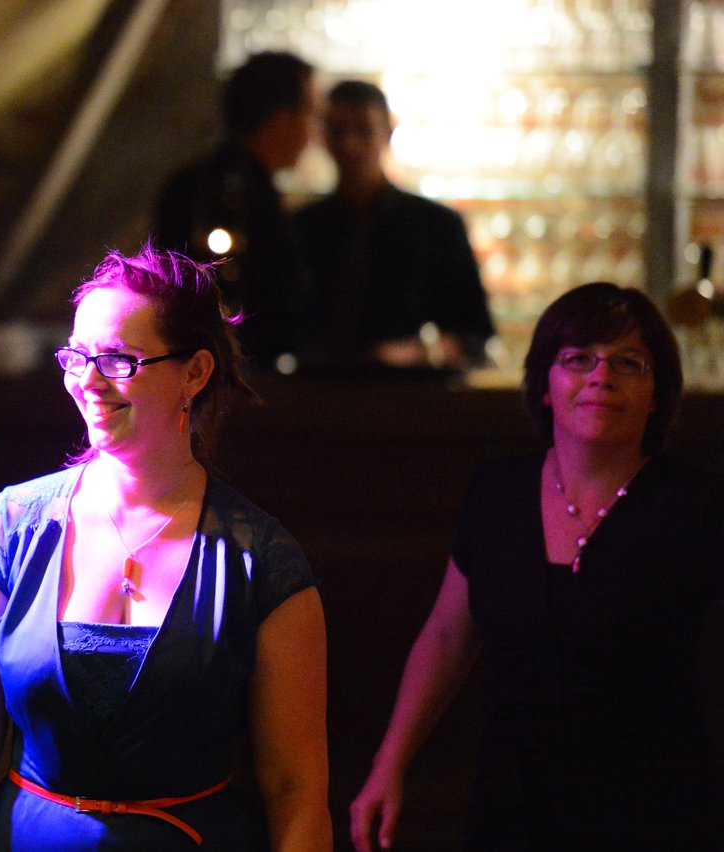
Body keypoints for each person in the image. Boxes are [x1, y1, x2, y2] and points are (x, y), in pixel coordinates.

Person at [0, 244, 331, 850]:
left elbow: (296, 792)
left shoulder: (262, 563)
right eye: (76, 356)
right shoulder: (10, 528)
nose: (87, 381)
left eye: (117, 360)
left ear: (194, 372)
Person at [348, 282, 724, 851]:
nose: (602, 376)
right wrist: (389, 764)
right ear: (545, 384)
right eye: (579, 360)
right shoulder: (498, 492)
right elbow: (448, 636)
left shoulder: (695, 507)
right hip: (512, 806)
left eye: (629, 363)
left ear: (656, 395)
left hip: (654, 812)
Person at [291, 80, 494, 371]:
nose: (350, 146)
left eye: (363, 130)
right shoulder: (302, 227)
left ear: (387, 134)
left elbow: (475, 335)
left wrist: (412, 354)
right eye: (338, 131)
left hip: (407, 397)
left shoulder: (436, 226)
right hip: (317, 394)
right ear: (323, 137)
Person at [153, 51, 319, 372]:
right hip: (235, 384)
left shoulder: (190, 183)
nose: (315, 133)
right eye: (312, 114)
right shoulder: (244, 199)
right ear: (282, 119)